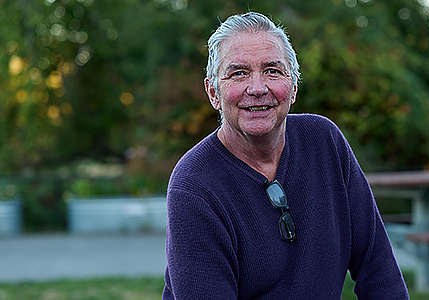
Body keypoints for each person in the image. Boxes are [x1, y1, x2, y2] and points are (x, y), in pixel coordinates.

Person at [162, 12, 409, 299]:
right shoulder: (193, 185)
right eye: (238, 73)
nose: (257, 88)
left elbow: (377, 267)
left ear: (292, 87)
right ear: (213, 92)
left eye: (272, 71)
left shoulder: (324, 142)